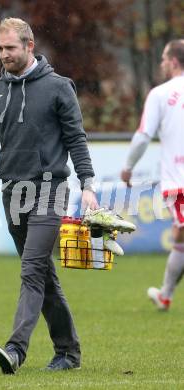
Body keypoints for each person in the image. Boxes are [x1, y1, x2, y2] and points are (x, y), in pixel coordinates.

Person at [0, 17, 98, 374]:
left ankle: (15, 349)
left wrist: (89, 184)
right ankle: (68, 352)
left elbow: (76, 139)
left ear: (29, 46)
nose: (4, 54)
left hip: (51, 190)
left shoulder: (58, 87)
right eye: (0, 49)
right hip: (12, 192)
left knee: (32, 269)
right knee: (42, 274)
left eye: (11, 48)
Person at [121, 39, 184, 311]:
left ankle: (165, 294)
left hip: (179, 181)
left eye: (163, 59)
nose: (161, 64)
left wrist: (128, 166)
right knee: (180, 236)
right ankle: (165, 295)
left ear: (172, 61)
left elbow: (143, 136)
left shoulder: (160, 94)